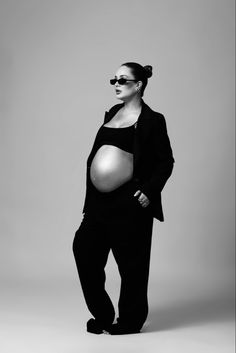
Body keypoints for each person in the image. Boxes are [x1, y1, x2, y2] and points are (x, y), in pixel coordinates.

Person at [72, 62, 175, 335]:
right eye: (114, 80)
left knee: (132, 267)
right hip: (98, 205)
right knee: (84, 250)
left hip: (129, 204)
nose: (116, 84)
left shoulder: (153, 120)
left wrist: (149, 192)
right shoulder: (113, 113)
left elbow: (165, 162)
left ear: (139, 85)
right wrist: (89, 204)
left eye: (123, 80)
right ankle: (104, 315)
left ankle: (130, 321)